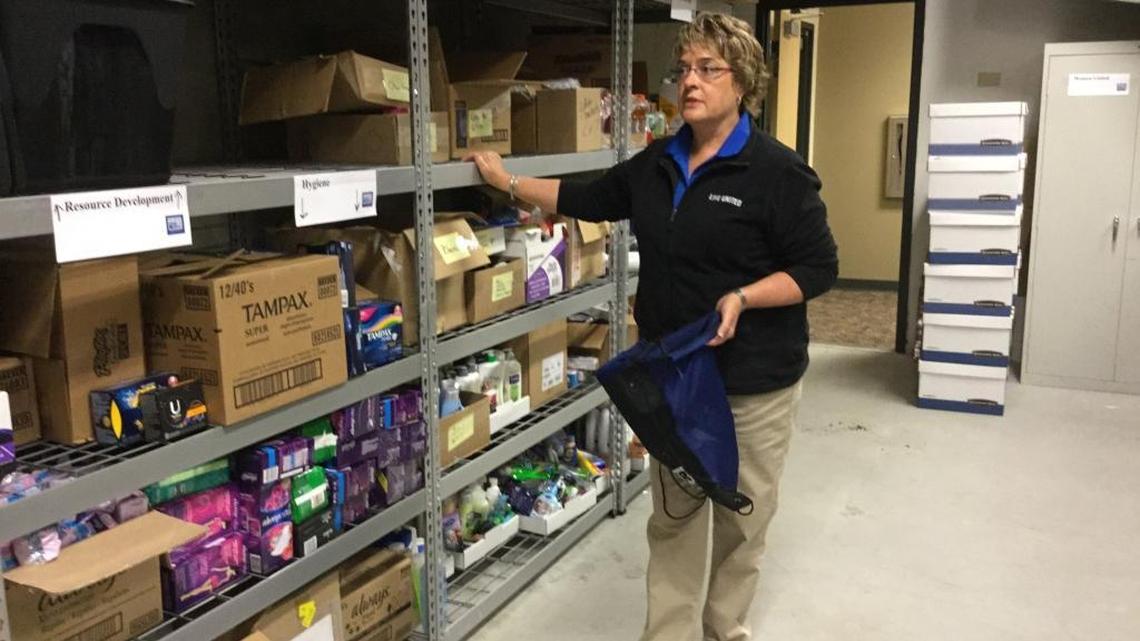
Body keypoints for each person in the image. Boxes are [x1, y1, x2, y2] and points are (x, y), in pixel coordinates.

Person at [467, 12, 838, 641]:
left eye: (708, 69)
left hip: (755, 381)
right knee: (675, 515)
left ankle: (725, 627)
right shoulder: (657, 162)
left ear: (742, 81)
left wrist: (744, 297)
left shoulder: (778, 173)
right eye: (684, 68)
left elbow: (819, 268)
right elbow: (587, 197)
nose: (690, 81)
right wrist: (507, 181)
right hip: (676, 373)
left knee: (743, 518)